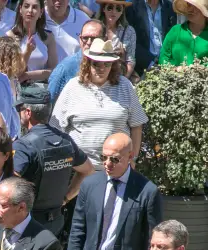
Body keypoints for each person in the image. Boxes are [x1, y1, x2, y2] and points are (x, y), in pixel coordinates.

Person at [52, 39, 146, 169]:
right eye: (96, 64)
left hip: (116, 169)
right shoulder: (73, 87)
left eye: (106, 64)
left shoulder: (125, 86)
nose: (101, 69)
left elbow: (137, 126)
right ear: (87, 63)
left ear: (112, 65)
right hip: (80, 170)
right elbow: (56, 126)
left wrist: (133, 158)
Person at [13, 88, 93, 240]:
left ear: (28, 112)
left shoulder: (23, 145)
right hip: (56, 221)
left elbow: (10, 183)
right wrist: (66, 198)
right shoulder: (66, 141)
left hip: (28, 223)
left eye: (20, 108)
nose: (19, 113)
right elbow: (88, 170)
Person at [48, 19, 105, 102]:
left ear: (104, 39)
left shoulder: (110, 66)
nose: (89, 42)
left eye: (94, 39)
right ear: (79, 39)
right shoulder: (65, 68)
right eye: (85, 38)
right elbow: (50, 101)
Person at [158, 0, 208, 66]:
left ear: (204, 10)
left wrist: (197, 70)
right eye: (189, 5)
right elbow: (163, 59)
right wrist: (177, 69)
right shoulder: (174, 31)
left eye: (195, 6)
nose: (191, 9)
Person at [11, 0, 60, 83]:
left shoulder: (48, 37)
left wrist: (28, 75)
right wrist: (28, 52)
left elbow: (54, 70)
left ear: (41, 12)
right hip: (17, 89)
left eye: (34, 7)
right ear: (20, 9)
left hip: (41, 90)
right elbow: (15, 73)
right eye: (26, 6)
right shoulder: (10, 36)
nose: (30, 10)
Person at [126, 0, 177, 74]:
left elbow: (173, 39)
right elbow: (130, 41)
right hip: (142, 68)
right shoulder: (132, 6)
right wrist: (152, 62)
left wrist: (165, 62)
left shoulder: (170, 7)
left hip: (167, 66)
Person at [97, 0, 137, 77]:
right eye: (110, 7)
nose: (114, 11)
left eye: (118, 8)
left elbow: (130, 61)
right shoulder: (95, 28)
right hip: (98, 75)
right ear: (103, 9)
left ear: (122, 11)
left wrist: (123, 80)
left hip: (119, 77)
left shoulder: (129, 31)